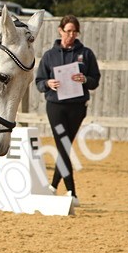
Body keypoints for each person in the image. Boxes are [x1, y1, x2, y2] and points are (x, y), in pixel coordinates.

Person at [34, 15, 101, 206]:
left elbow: (95, 80)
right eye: (68, 31)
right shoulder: (49, 56)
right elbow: (39, 81)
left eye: (74, 31)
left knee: (65, 147)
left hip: (77, 107)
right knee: (63, 145)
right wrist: (48, 83)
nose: (71, 35)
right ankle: (72, 192)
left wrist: (85, 79)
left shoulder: (86, 54)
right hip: (55, 106)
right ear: (60, 31)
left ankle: (53, 186)